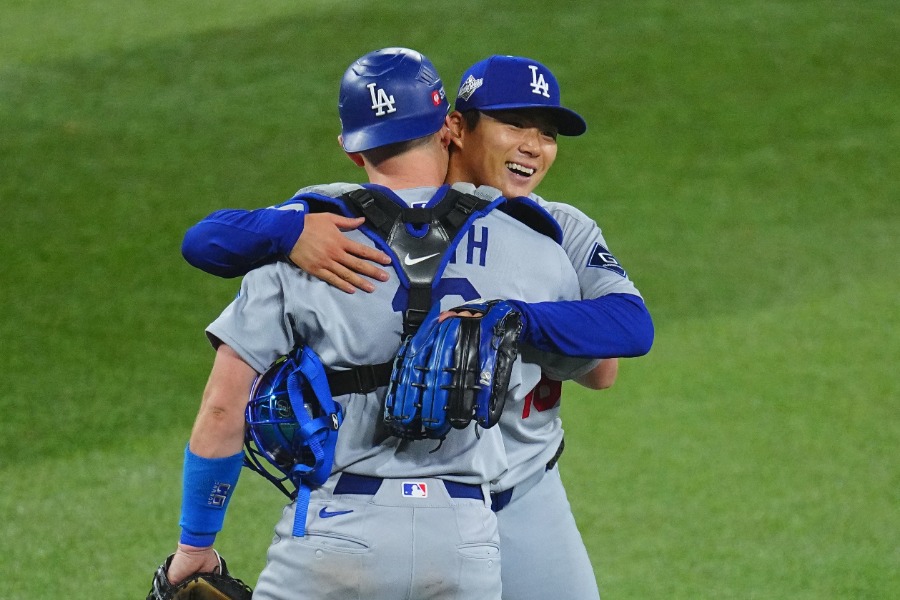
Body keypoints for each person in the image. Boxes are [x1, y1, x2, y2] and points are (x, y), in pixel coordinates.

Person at [180, 54, 653, 599]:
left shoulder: (557, 229)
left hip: (521, 489)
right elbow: (206, 239)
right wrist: (286, 230)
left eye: (547, 133)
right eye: (514, 125)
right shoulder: (340, 221)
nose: (533, 145)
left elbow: (612, 357)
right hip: (456, 512)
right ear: (453, 128)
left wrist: (514, 319)